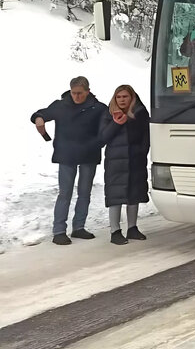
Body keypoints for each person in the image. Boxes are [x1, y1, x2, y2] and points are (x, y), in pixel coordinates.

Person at [31, 76, 107, 245]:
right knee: (65, 193)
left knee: (84, 193)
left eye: (80, 93)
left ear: (88, 91)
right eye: (74, 93)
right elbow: (41, 113)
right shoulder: (61, 105)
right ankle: (59, 231)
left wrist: (97, 143)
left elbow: (107, 128)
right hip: (66, 155)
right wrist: (39, 119)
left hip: (89, 154)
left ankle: (79, 227)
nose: (77, 96)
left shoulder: (98, 108)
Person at [99, 85, 151, 245]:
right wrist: (116, 123)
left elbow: (146, 136)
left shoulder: (140, 114)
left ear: (132, 98)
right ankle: (115, 230)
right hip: (116, 161)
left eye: (125, 97)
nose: (121, 100)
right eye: (119, 97)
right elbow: (102, 139)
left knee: (133, 194)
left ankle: (132, 228)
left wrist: (142, 152)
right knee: (116, 195)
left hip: (135, 159)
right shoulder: (108, 114)